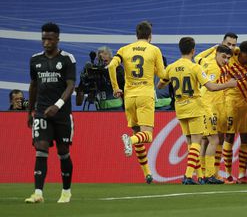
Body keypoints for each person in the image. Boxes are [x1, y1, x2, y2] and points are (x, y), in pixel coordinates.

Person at [157, 37, 237, 185]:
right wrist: (229, 84)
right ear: (193, 50)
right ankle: (192, 175)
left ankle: (200, 175)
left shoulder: (172, 67)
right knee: (204, 141)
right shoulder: (195, 67)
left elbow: (160, 85)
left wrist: (168, 80)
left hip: (180, 107)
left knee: (191, 143)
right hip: (196, 106)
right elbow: (211, 87)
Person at [108, 21, 165, 184]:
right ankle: (129, 141)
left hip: (129, 97)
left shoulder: (124, 49)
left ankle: (147, 173)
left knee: (137, 134)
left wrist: (115, 88)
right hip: (145, 95)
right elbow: (162, 74)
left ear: (136, 35)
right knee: (146, 136)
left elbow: (111, 66)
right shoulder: (154, 50)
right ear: (150, 35)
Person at [25, 22, 76, 203]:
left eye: (49, 39)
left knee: (63, 152)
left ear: (57, 40)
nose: (46, 42)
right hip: (42, 113)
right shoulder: (35, 60)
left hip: (61, 115)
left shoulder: (67, 59)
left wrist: (58, 105)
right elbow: (33, 85)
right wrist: (29, 110)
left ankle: (66, 191)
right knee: (41, 148)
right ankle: (38, 193)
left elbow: (71, 85)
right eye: (43, 38)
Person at [222, 40, 247, 184]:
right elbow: (221, 49)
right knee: (229, 136)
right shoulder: (231, 57)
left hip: (246, 103)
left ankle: (242, 175)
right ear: (242, 53)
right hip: (230, 102)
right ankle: (228, 175)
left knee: (246, 137)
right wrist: (235, 49)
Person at [198, 45, 234, 184]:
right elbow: (211, 87)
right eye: (224, 57)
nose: (226, 61)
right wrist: (229, 84)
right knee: (214, 140)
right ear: (217, 54)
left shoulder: (206, 61)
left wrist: (212, 49)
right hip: (208, 106)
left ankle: (203, 174)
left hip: (209, 105)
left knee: (205, 141)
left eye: (228, 58)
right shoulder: (214, 68)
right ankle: (209, 174)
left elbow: (197, 57)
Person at [76, 46, 124, 111]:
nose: (102, 56)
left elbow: (121, 80)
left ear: (111, 57)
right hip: (101, 109)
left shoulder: (118, 68)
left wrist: (104, 71)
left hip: (117, 109)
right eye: (99, 56)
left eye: (105, 54)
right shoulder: (96, 71)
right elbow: (79, 100)